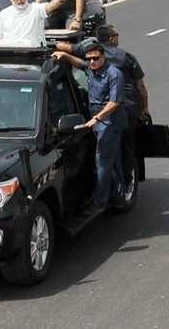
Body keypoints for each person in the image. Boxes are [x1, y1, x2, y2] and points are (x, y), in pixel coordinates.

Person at [53, 43, 128, 214]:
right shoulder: (90, 68)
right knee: (113, 162)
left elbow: (114, 103)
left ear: (103, 57)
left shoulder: (114, 74)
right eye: (89, 59)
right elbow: (79, 64)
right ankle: (119, 197)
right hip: (98, 121)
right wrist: (64, 56)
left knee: (102, 163)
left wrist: (97, 118)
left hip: (109, 122)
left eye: (96, 58)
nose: (92, 62)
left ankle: (99, 202)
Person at [0, 0, 73, 47]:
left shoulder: (35, 9)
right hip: (9, 55)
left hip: (33, 53)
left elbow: (50, 6)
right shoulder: (3, 14)